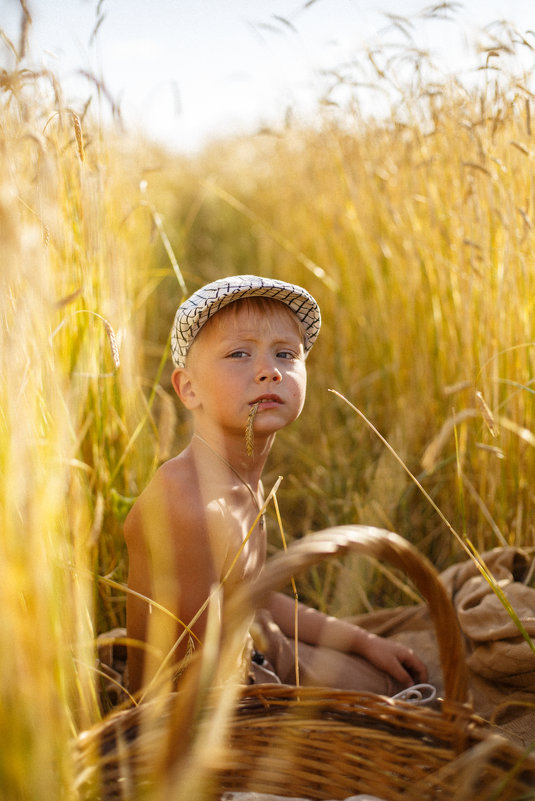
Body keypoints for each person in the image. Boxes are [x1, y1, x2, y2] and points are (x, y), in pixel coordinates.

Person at [125, 275, 427, 695]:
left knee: (401, 678)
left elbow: (252, 593)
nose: (269, 371)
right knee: (402, 712)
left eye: (286, 353)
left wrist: (362, 641)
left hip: (254, 643)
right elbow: (188, 684)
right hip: (202, 704)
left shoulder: (240, 478)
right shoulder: (189, 507)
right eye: (238, 354)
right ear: (189, 388)